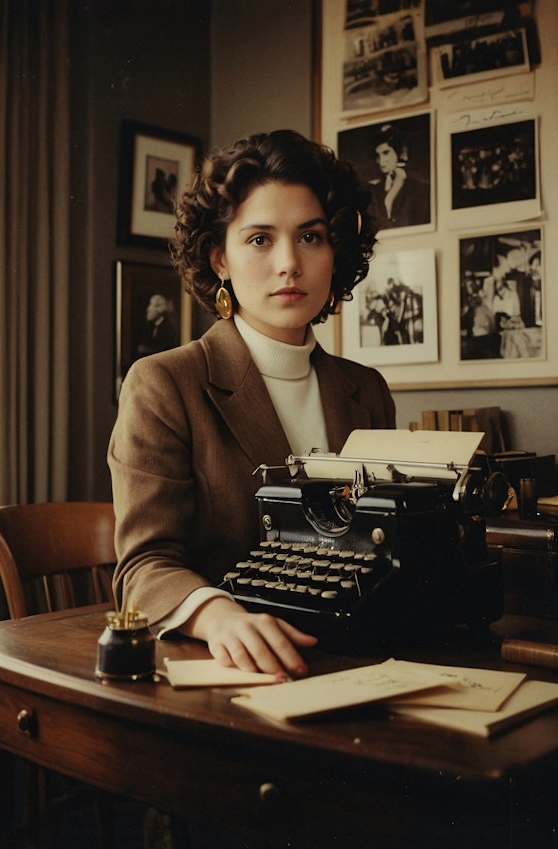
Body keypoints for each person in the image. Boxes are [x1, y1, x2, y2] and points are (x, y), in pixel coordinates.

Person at [108, 129, 396, 682]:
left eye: (310, 237)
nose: (289, 263)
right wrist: (218, 616)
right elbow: (144, 565)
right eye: (260, 240)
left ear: (335, 253)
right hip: (225, 668)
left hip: (353, 658)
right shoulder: (164, 383)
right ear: (220, 259)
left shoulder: (369, 390)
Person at [368, 122, 430, 229]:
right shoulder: (374, 189)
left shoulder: (419, 188)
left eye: (386, 153)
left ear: (399, 152)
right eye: (378, 155)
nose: (381, 161)